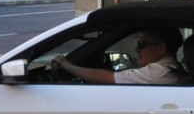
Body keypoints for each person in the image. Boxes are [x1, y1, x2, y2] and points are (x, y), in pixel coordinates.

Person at [52, 28, 184, 84]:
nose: (137, 49)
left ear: (161, 48)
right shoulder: (173, 69)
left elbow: (108, 78)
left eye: (142, 44)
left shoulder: (158, 72)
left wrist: (67, 65)